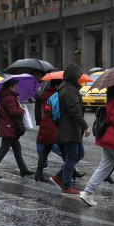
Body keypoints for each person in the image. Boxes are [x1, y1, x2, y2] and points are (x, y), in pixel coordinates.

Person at [49, 63, 90, 195]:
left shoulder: (67, 88)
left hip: (69, 129)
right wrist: (85, 127)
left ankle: (59, 176)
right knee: (72, 156)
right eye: (78, 76)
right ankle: (66, 185)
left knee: (79, 154)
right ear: (73, 77)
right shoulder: (69, 90)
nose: (79, 79)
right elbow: (74, 112)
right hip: (69, 129)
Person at [35, 79, 86, 182]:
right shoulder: (57, 95)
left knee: (48, 151)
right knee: (65, 153)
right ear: (57, 85)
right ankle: (67, 174)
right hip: (53, 126)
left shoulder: (48, 94)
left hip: (47, 125)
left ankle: (40, 174)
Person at [0, 79, 35, 179]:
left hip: (11, 127)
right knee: (4, 149)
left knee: (17, 149)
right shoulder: (9, 97)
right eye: (15, 85)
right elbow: (13, 112)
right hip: (9, 127)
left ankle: (23, 170)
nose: (16, 87)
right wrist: (21, 109)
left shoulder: (9, 96)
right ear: (11, 86)